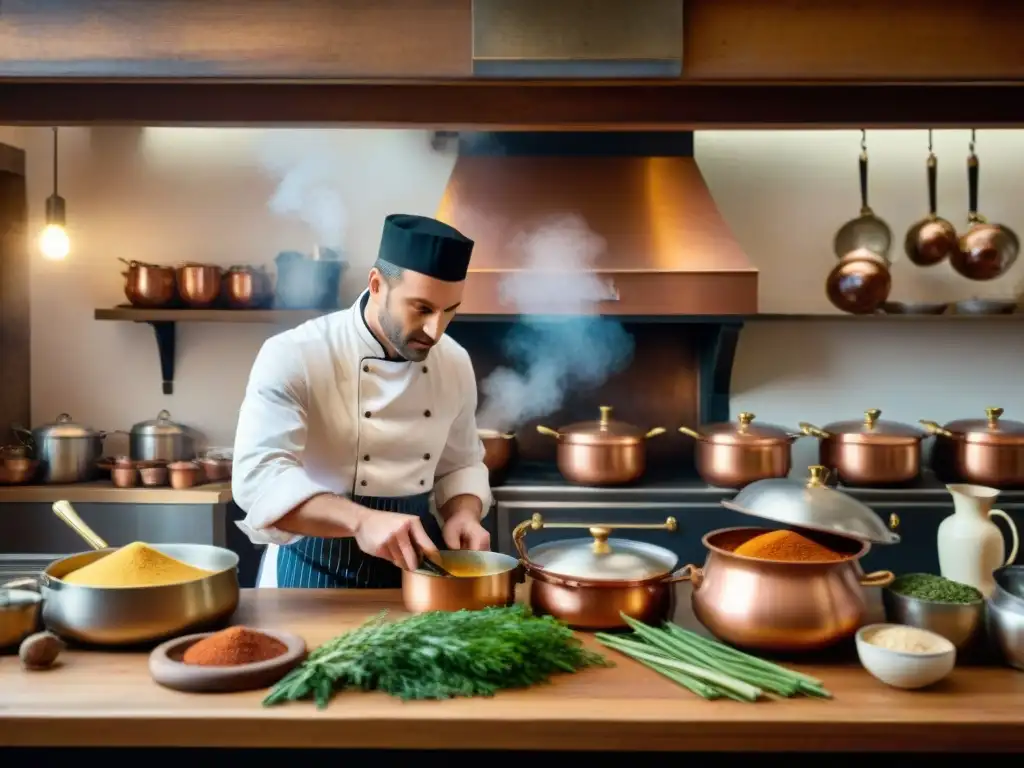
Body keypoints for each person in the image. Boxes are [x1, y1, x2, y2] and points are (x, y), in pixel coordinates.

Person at [232, 213, 492, 588]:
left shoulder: (453, 361)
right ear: (376, 284)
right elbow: (259, 477)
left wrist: (463, 514)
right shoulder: (295, 354)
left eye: (450, 312)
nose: (436, 330)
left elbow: (459, 463)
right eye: (422, 308)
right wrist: (361, 520)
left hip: (415, 574)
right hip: (311, 573)